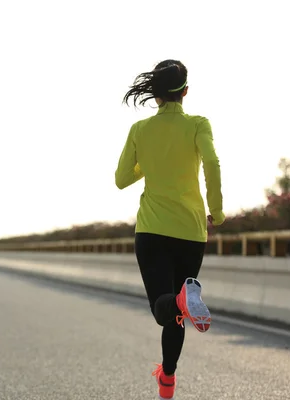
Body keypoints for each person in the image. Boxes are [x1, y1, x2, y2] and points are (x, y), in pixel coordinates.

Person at [114, 59, 224, 400]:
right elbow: (212, 162)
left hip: (152, 230)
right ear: (185, 91)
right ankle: (168, 379)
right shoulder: (198, 124)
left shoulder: (140, 130)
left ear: (155, 95)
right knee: (178, 314)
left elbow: (121, 180)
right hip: (191, 231)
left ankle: (180, 300)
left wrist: (150, 163)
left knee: (165, 308)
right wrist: (216, 211)